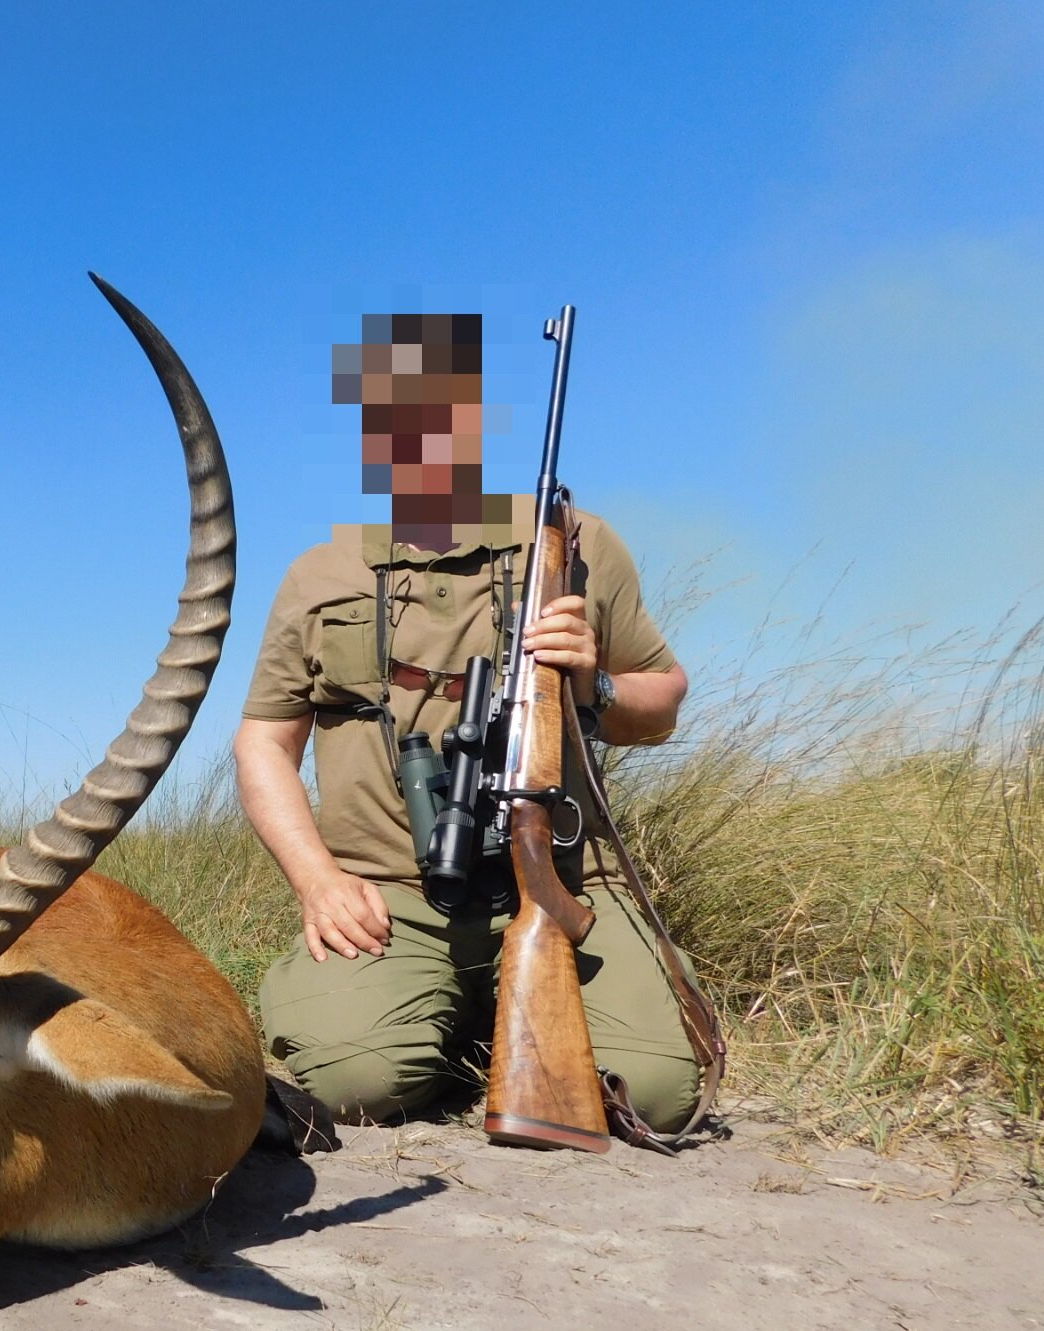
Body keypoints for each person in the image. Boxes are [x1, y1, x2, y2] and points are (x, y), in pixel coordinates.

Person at [234, 314, 701, 1132]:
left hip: (567, 883)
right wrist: (319, 882)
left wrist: (592, 685)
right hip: (391, 901)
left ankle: (497, 1016)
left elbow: (662, 699)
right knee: (354, 1086)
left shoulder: (578, 544)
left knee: (655, 1098)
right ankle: (445, 1025)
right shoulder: (319, 575)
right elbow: (264, 743)